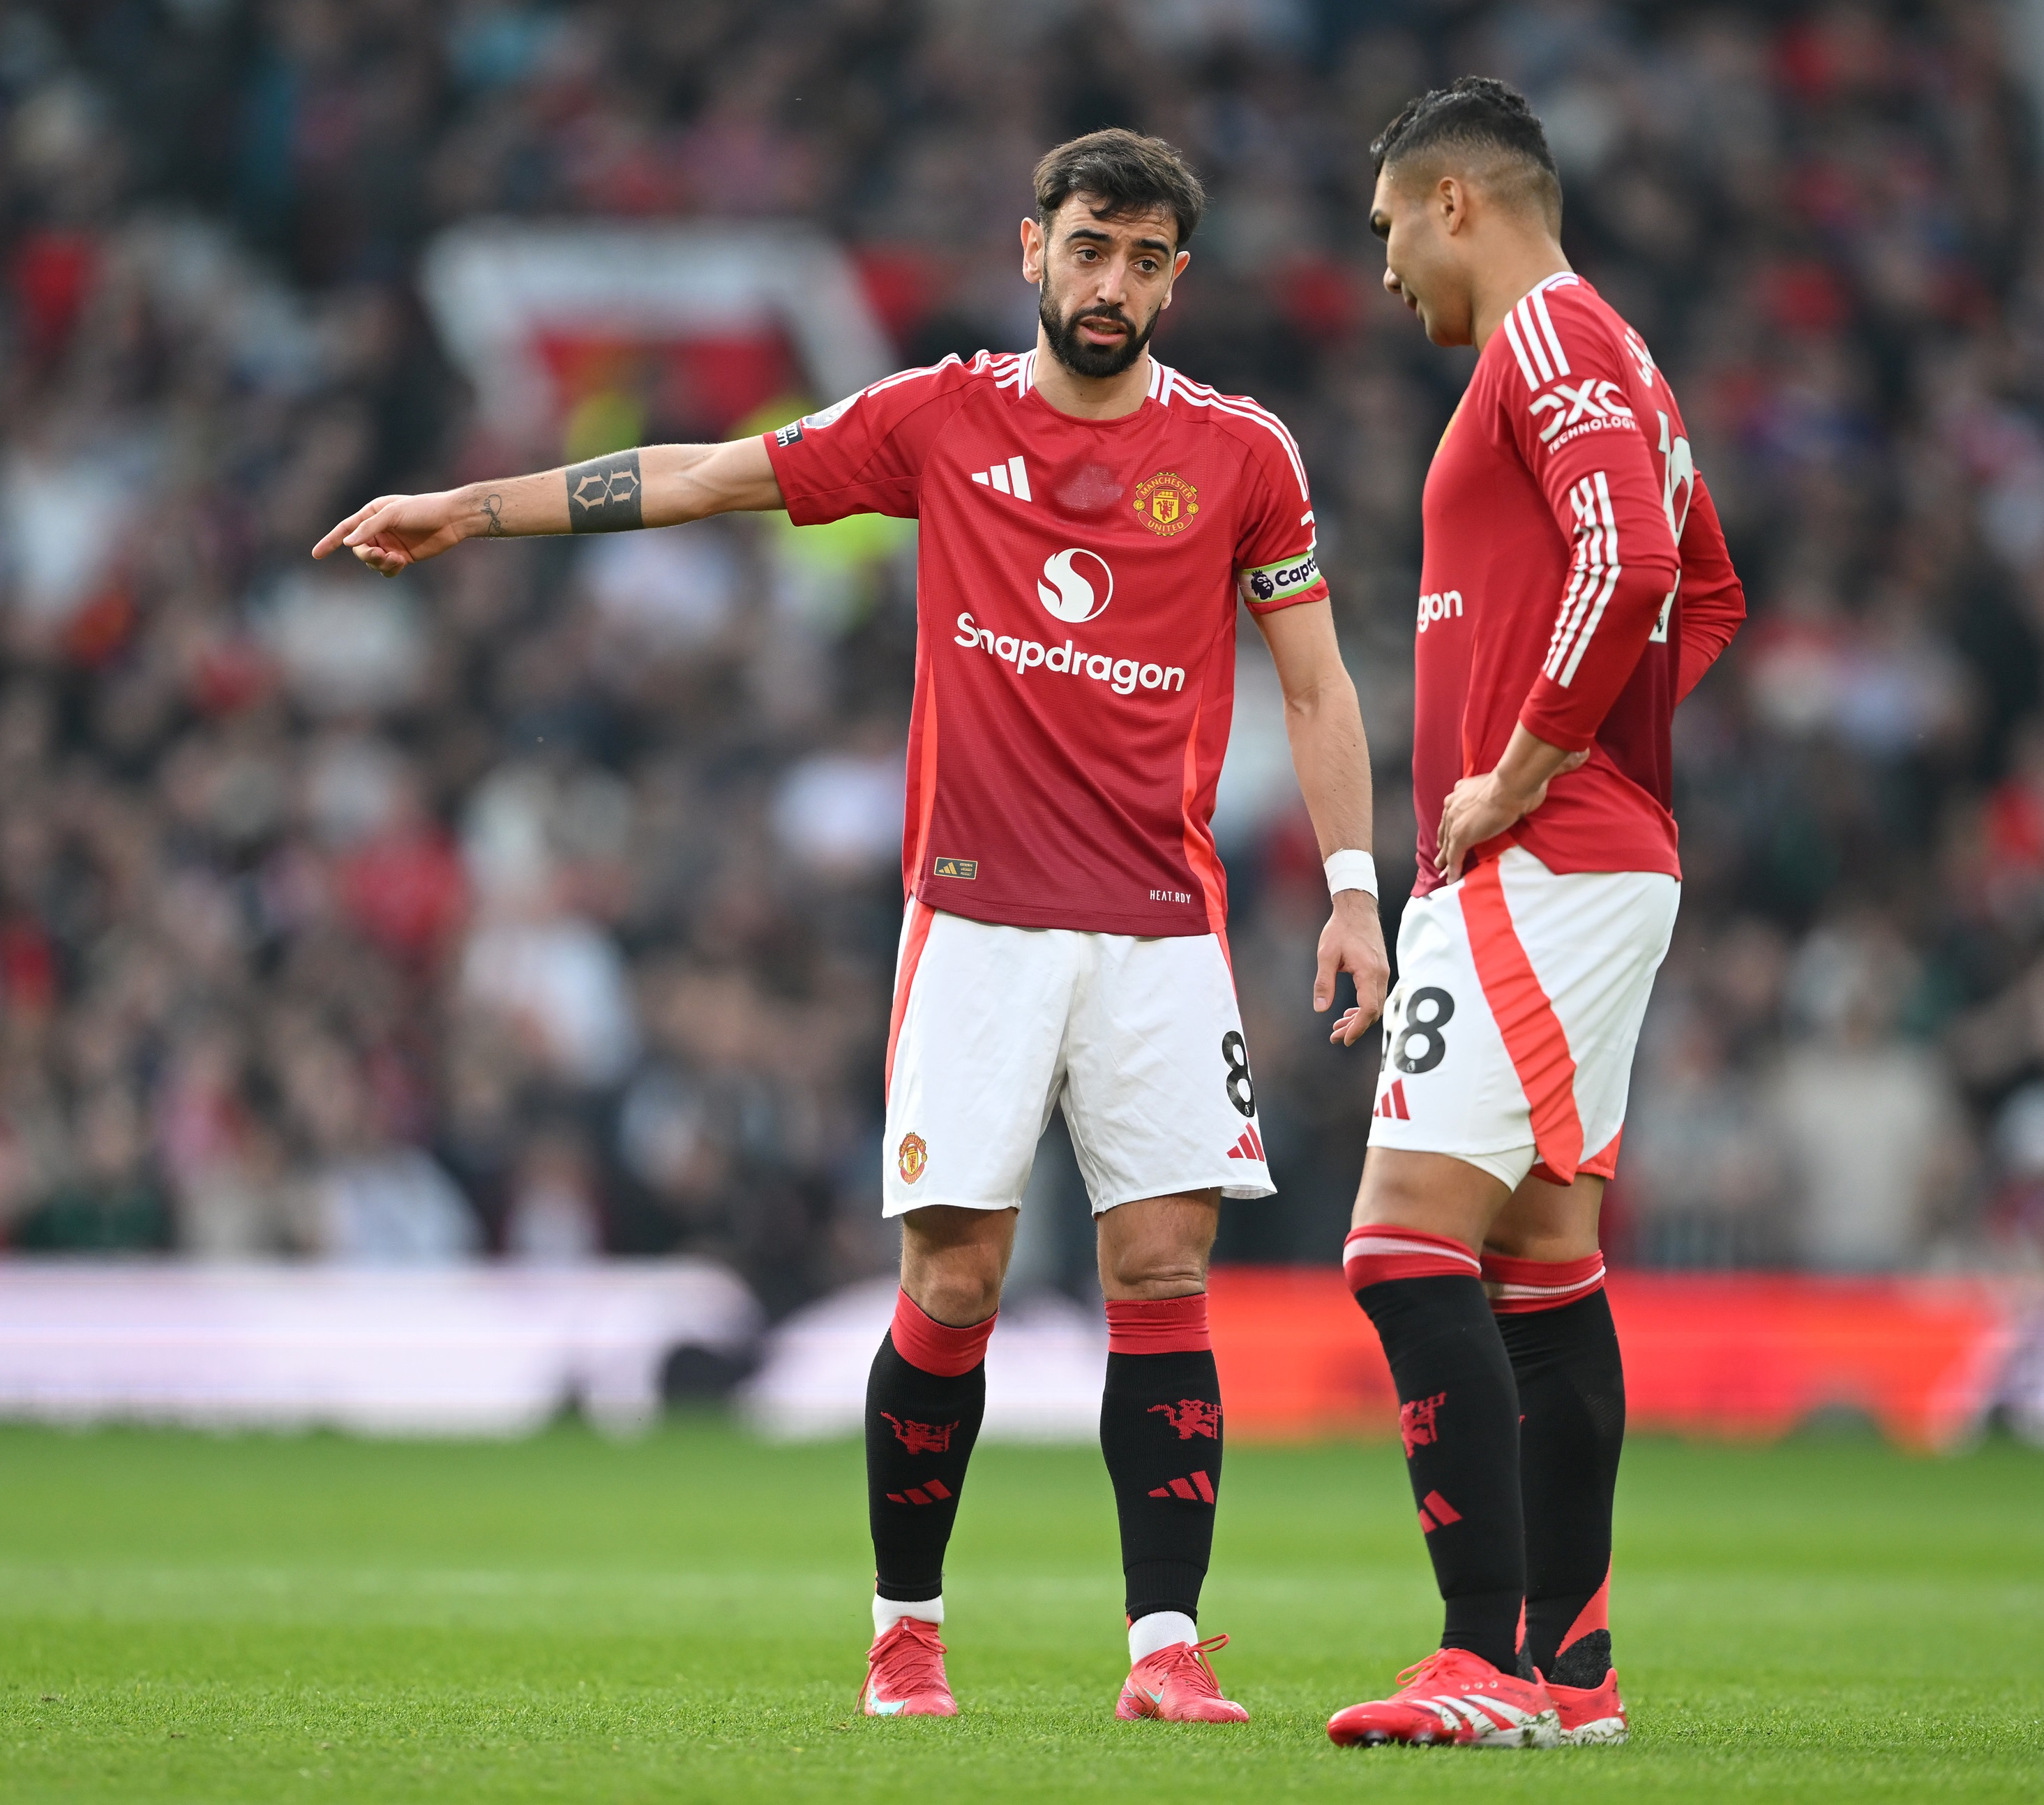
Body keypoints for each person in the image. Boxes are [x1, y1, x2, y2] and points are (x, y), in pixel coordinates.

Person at [315, 128, 1387, 1727]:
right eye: (1091, 246)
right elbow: (705, 473)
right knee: (954, 1281)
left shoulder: (1244, 454)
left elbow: (1313, 677)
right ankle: (906, 1628)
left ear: (1179, 276)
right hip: (976, 921)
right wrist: (474, 508)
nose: (1114, 284)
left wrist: (1360, 889)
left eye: (1148, 258)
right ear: (1032, 248)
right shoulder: (936, 418)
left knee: (1163, 1268)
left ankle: (1163, 1645)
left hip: (1164, 928)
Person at [1325, 78, 1746, 1750]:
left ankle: (1482, 1658)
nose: (1381, 279)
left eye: (1384, 235)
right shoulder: (1625, 359)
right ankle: (1574, 1674)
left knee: (1401, 1238)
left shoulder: (1553, 345)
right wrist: (1613, 749)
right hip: (1596, 846)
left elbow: (1637, 563)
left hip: (1542, 856)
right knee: (1541, 1264)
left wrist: (1532, 757)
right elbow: (1700, 584)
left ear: (1455, 207)